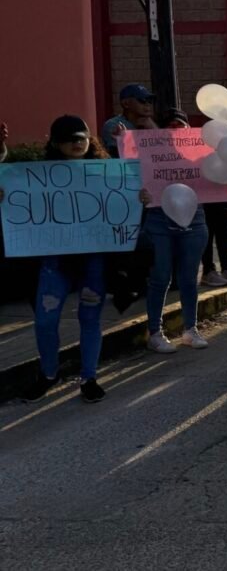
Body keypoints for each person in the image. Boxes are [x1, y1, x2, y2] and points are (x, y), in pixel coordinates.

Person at [15, 116, 147, 403]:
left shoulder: (108, 174)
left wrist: (139, 199)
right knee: (45, 321)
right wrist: (6, 196)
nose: (77, 143)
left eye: (81, 137)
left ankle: (89, 377)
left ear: (90, 140)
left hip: (93, 260)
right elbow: (20, 203)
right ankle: (49, 373)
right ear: (55, 143)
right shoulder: (37, 177)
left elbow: (123, 204)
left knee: (90, 318)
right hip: (56, 260)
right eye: (70, 139)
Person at [142, 110, 210, 354]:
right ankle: (155, 332)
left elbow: (215, 178)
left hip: (194, 219)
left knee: (189, 278)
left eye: (181, 126)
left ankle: (190, 329)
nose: (176, 131)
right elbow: (131, 180)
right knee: (160, 277)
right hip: (159, 220)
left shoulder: (198, 156)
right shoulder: (149, 157)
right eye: (170, 127)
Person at [102, 84, 155, 158]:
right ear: (126, 103)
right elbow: (117, 156)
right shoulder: (114, 125)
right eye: (142, 100)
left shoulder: (150, 124)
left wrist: (154, 129)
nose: (147, 104)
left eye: (150, 101)